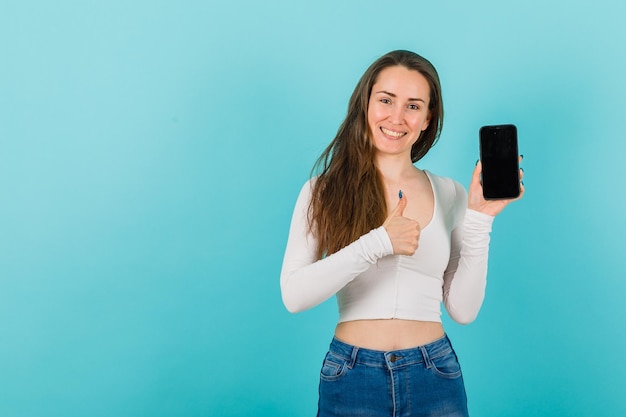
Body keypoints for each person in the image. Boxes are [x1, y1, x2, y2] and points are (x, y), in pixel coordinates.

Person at [280, 50, 524, 417]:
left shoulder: (450, 193)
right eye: (386, 100)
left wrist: (479, 219)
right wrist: (379, 242)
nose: (397, 117)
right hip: (351, 376)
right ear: (366, 104)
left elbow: (463, 309)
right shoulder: (323, 190)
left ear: (428, 118)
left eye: (413, 106)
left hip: (434, 373)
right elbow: (294, 295)